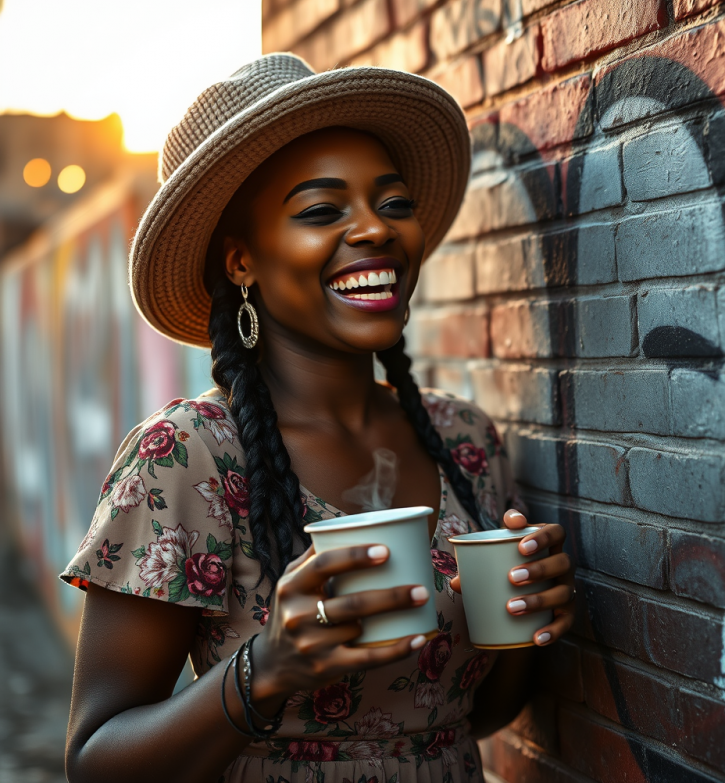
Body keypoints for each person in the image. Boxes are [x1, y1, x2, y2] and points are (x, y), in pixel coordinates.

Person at [61, 53, 576, 783]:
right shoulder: (185, 458)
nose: (375, 230)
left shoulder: (464, 442)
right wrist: (265, 669)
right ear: (242, 261)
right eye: (321, 210)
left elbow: (469, 717)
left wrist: (527, 623)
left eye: (393, 204)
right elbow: (94, 764)